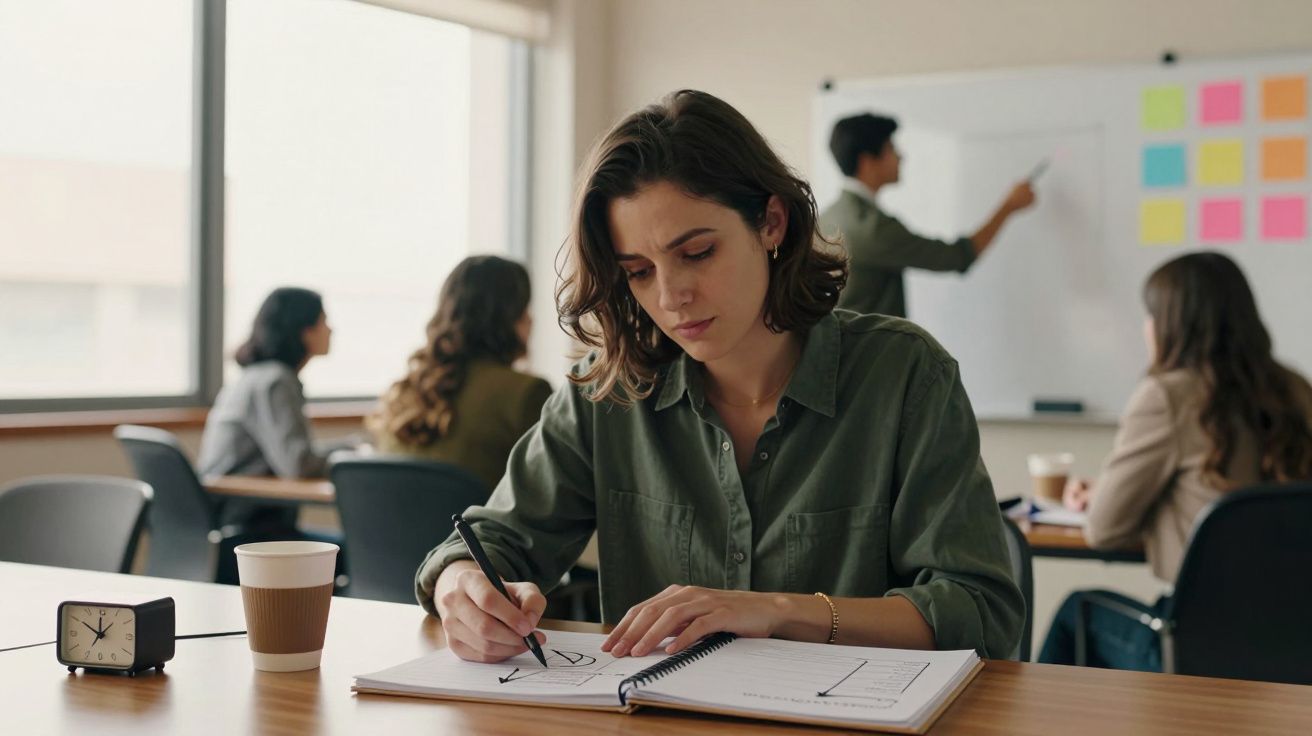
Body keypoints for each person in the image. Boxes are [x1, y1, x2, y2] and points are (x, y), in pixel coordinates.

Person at [415, 89, 1022, 664]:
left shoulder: (905, 374)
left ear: (772, 223)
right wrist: (460, 586)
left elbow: (978, 610)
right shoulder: (608, 392)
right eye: (638, 271)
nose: (671, 296)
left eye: (697, 253)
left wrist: (780, 611)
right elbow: (489, 543)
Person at [1039, 252, 1312, 670]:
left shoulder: (1167, 396)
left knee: (1075, 615)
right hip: (1295, 642)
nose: (1145, 328)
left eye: (1151, 315)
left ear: (1172, 324)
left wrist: (1119, 501)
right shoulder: (1295, 389)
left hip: (1200, 648)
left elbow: (1104, 530)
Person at [820, 113, 1036, 318]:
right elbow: (959, 256)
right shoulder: (873, 228)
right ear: (867, 162)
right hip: (870, 345)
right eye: (891, 148)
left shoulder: (829, 216)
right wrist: (1008, 207)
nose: (900, 157)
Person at [368, 256, 553, 492]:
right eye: (525, 308)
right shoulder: (527, 392)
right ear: (511, 317)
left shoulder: (404, 391)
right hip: (476, 518)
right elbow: (553, 495)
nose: (531, 319)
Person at [199, 287, 336, 539]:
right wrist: (350, 454)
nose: (331, 330)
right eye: (323, 321)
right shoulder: (275, 381)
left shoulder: (251, 377)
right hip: (247, 530)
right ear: (303, 330)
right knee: (355, 552)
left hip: (221, 526)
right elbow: (298, 465)